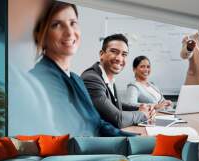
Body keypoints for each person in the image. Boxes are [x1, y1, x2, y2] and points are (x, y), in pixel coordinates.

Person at [30, 1, 135, 137]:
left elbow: (96, 123)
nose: (69, 32)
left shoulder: (76, 79)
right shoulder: (43, 79)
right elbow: (78, 134)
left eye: (73, 23)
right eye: (56, 25)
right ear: (40, 36)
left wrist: (135, 140)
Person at [81, 34, 155, 129]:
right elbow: (117, 119)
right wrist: (143, 114)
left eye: (124, 54)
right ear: (101, 54)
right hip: (95, 139)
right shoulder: (91, 79)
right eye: (114, 52)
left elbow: (116, 105)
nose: (119, 58)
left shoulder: (108, 78)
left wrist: (141, 108)